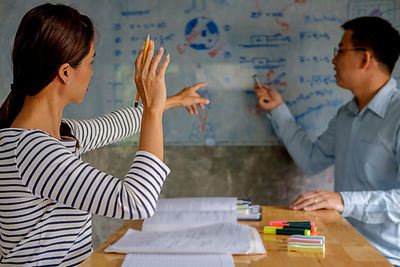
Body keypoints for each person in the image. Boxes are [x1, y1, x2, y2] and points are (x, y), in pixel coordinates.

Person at [0, 3, 209, 266]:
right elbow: (137, 202)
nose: (91, 72)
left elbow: (119, 124)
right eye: (90, 62)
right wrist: (154, 110)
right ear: (65, 72)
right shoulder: (35, 152)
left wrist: (174, 100)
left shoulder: (56, 135)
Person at [255, 16, 400, 265]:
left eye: (340, 51)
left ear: (365, 58)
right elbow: (311, 160)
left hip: (385, 256)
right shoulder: (346, 115)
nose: (333, 60)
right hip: (341, 240)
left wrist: (343, 201)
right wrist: (279, 110)